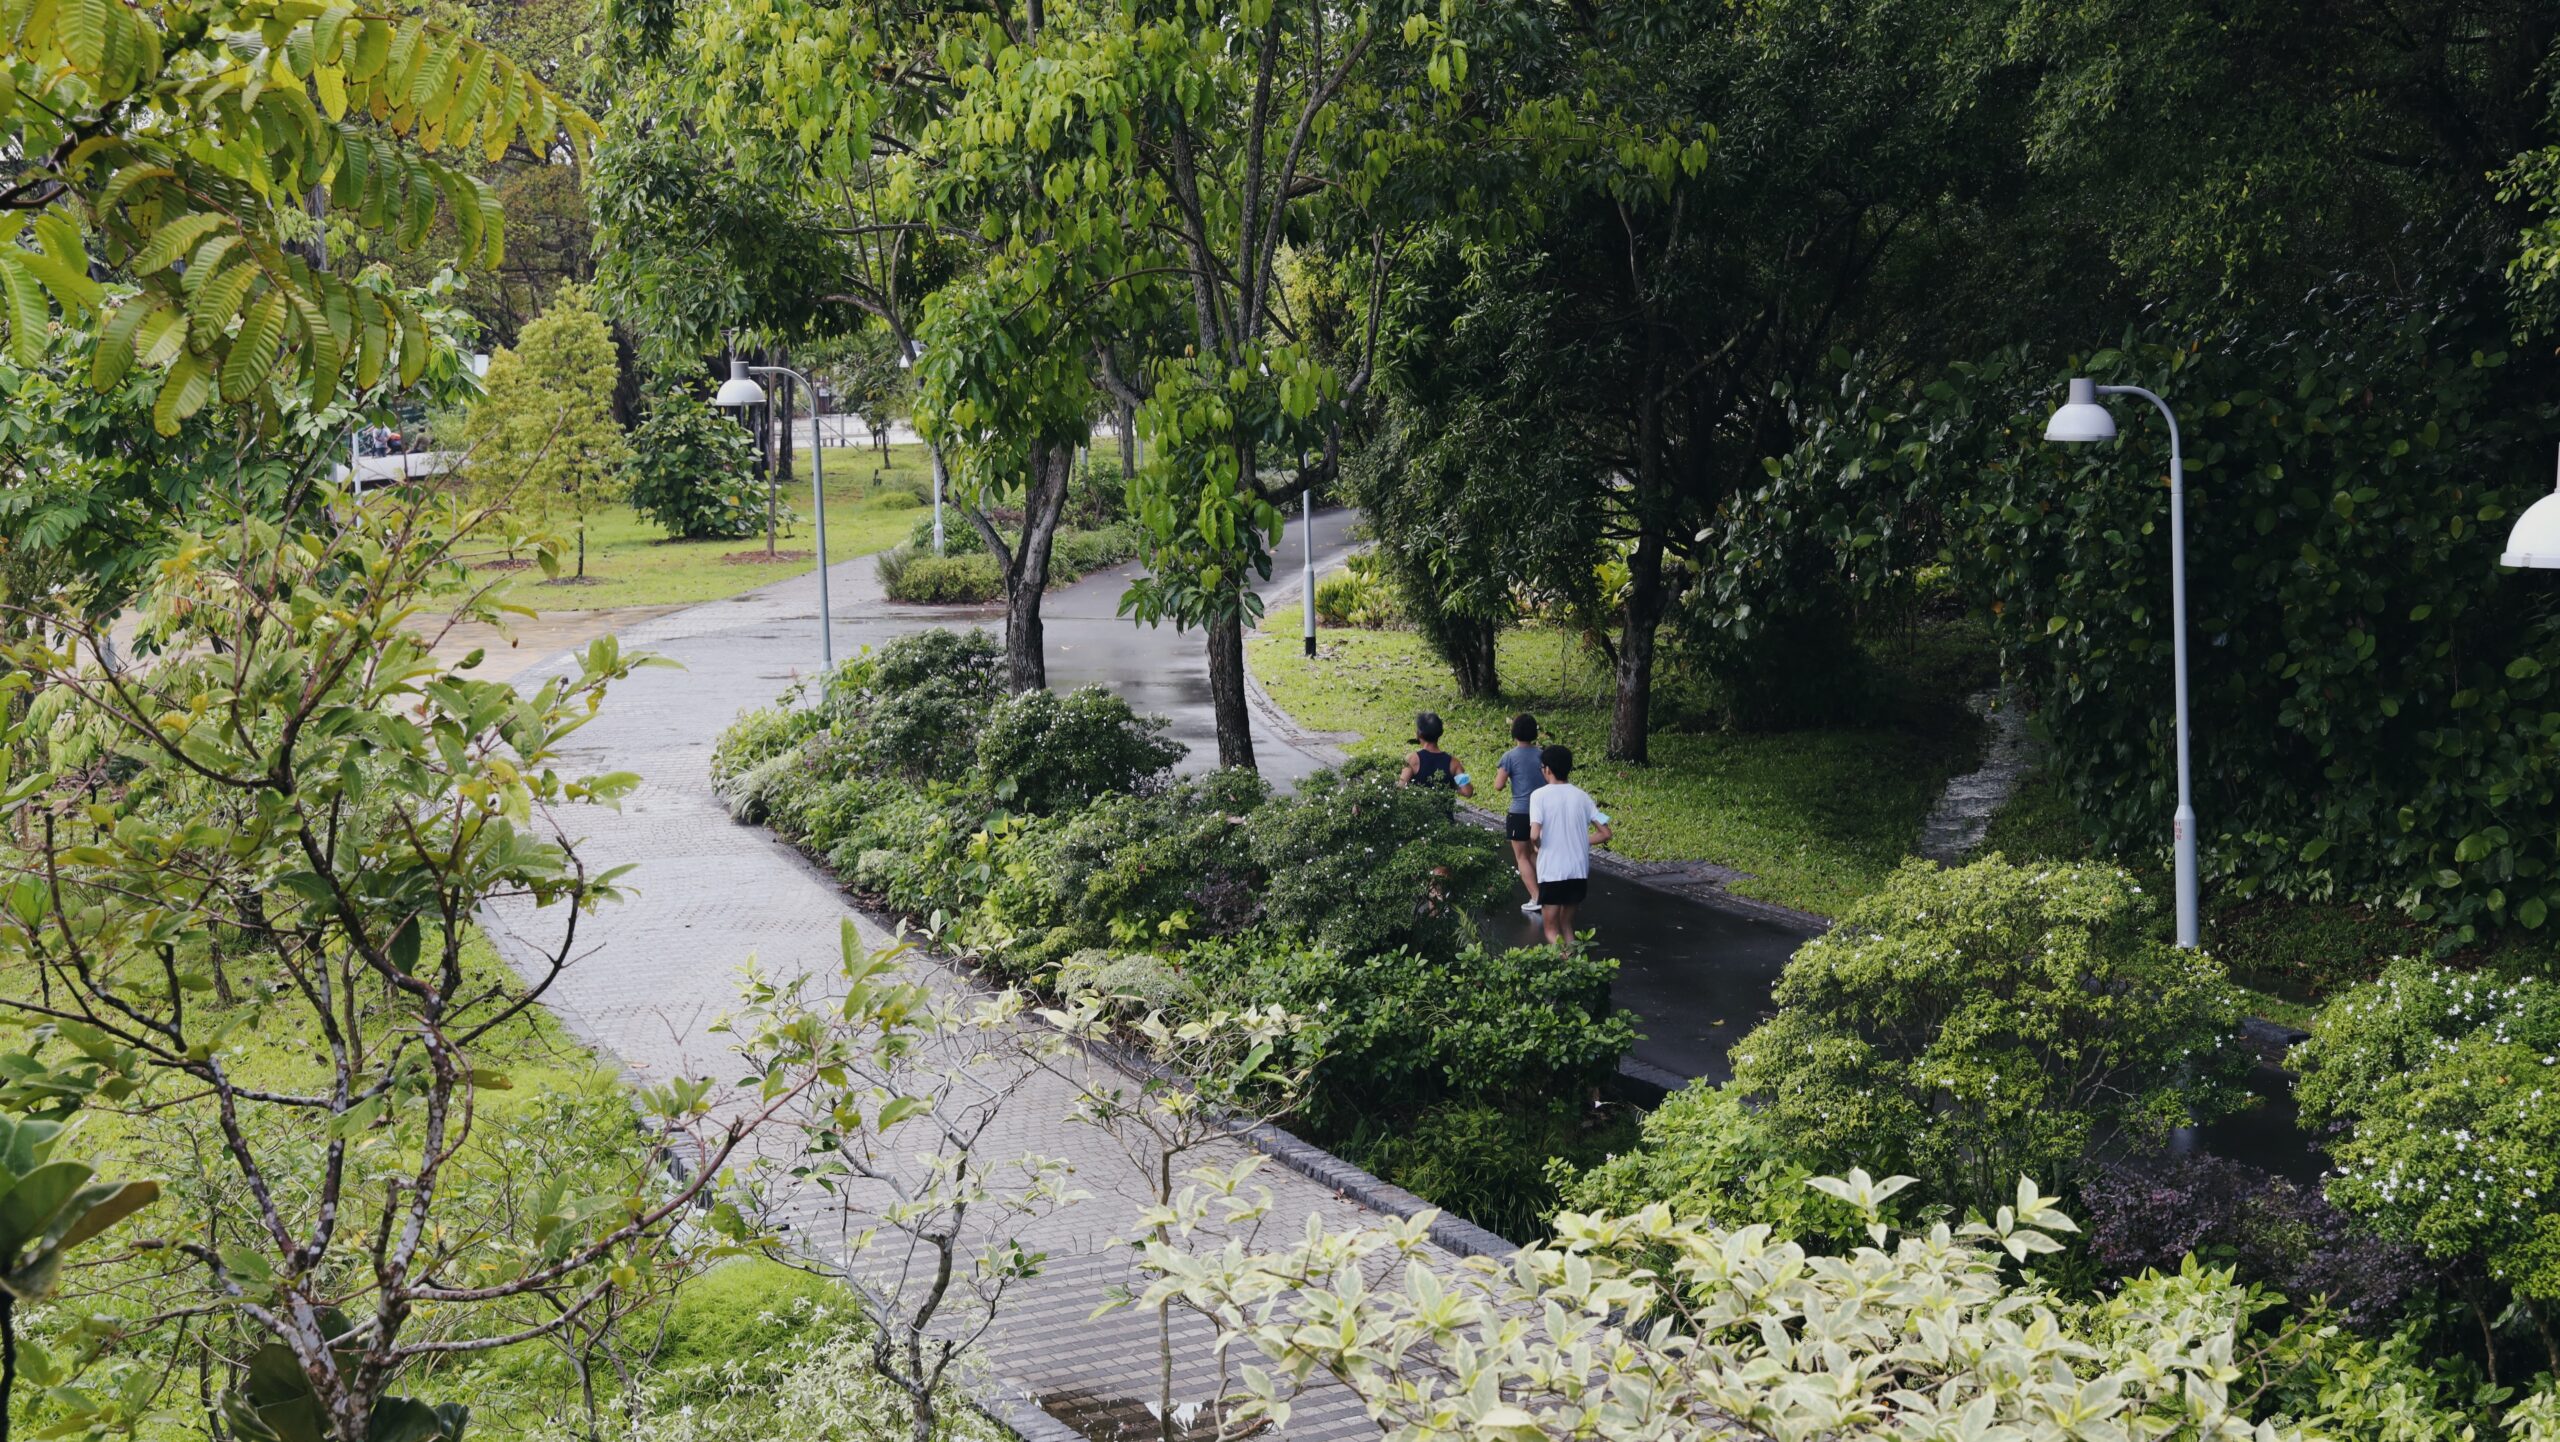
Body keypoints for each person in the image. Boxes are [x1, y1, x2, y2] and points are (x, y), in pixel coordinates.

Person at [1527, 744, 1610, 946]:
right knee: (1566, 925)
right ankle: (1576, 968)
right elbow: (1606, 833)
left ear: (1547, 769)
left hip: (1553, 872)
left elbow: (1534, 834)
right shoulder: (1583, 796)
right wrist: (1580, 839)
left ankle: (1565, 965)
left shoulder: (1539, 795)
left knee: (1551, 929)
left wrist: (1537, 845)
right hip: (1578, 872)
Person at [1493, 713, 1546, 914]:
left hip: (1519, 812)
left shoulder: (1509, 757)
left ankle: (1536, 897)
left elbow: (1498, 785)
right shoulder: (1543, 755)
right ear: (1535, 733)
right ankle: (1546, 892)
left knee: (1522, 857)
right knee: (1537, 853)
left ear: (1513, 732)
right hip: (1541, 813)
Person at [1397, 711, 1475, 798]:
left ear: (1419, 733)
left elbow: (1400, 788)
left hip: (1417, 811)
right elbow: (1468, 792)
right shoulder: (1454, 763)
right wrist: (1451, 785)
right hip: (1444, 811)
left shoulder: (1412, 759)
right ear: (1440, 733)